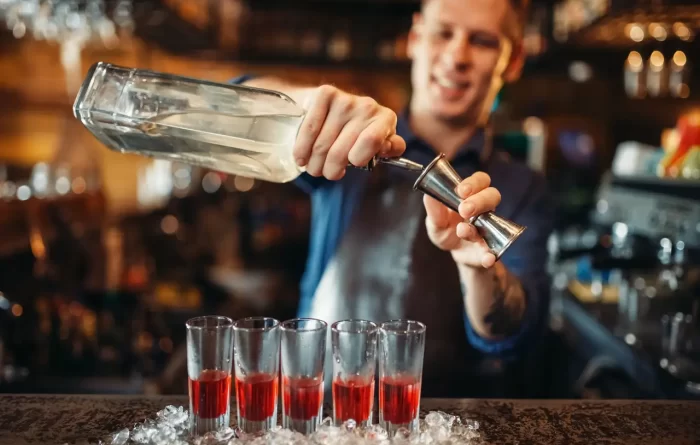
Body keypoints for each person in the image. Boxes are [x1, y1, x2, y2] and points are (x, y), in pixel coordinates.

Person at [231, 0, 553, 397]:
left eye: (482, 41)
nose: (456, 56)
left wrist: (479, 268)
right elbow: (235, 107)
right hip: (319, 410)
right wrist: (310, 106)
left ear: (514, 59)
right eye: (443, 32)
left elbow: (515, 335)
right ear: (415, 38)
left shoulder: (524, 188)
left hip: (444, 425)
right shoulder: (351, 142)